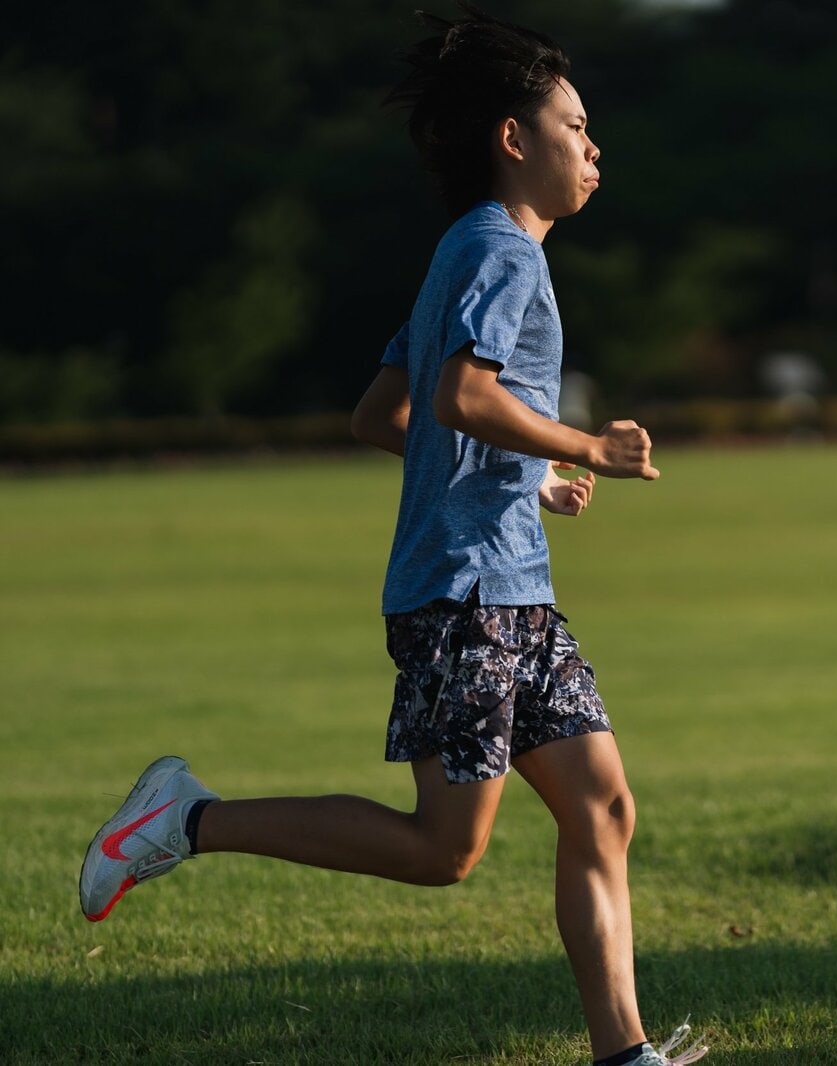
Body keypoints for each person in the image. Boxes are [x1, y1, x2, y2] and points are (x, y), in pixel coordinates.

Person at [77, 6, 706, 1065]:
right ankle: (185, 820)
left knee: (601, 806)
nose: (594, 147)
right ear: (513, 139)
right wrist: (584, 447)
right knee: (442, 849)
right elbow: (460, 391)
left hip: (509, 586)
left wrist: (528, 473)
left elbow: (387, 414)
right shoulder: (501, 251)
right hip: (465, 595)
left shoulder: (462, 249)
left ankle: (624, 1055)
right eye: (575, 125)